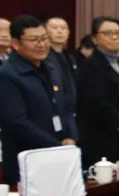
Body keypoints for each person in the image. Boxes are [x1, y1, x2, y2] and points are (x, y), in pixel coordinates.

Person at [0, 15, 78, 184]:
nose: (42, 44)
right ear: (15, 43)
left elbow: (65, 106)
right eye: (34, 40)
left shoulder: (51, 68)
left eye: (44, 38)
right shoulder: (7, 74)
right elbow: (16, 122)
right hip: (29, 159)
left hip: (59, 154)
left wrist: (71, 136)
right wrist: (57, 146)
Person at [75, 16, 119, 169]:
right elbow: (98, 103)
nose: (114, 37)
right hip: (102, 137)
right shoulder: (89, 67)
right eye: (107, 33)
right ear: (94, 38)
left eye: (118, 33)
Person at [45, 15, 79, 112]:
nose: (59, 31)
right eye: (54, 28)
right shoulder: (42, 56)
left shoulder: (70, 57)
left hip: (72, 108)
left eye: (63, 28)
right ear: (45, 31)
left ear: (68, 33)